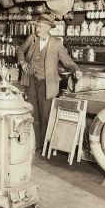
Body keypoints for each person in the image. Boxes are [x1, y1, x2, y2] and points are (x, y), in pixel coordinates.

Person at [17, 13, 82, 150]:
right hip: (31, 80)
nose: (37, 29)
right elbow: (20, 50)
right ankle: (34, 143)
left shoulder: (56, 43)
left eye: (39, 26)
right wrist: (22, 62)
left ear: (47, 27)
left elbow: (67, 62)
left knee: (45, 115)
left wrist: (76, 69)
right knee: (31, 112)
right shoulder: (32, 38)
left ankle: (43, 145)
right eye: (37, 26)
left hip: (48, 83)